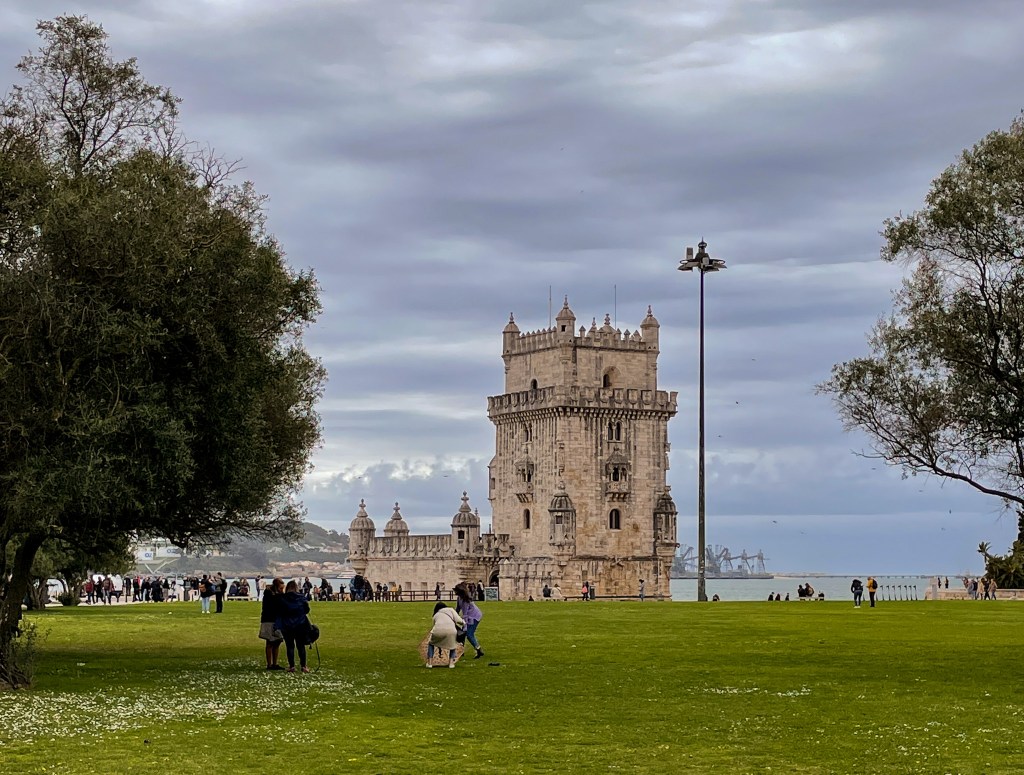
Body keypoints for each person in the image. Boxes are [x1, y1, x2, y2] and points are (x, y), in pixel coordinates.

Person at [278, 580, 311, 673]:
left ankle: (291, 666)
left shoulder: (283, 598)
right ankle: (303, 666)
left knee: (290, 646)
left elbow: (280, 611)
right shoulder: (301, 597)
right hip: (300, 624)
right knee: (301, 646)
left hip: (287, 625)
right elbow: (307, 610)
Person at [426, 602, 464, 668]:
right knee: (452, 645)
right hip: (451, 631)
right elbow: (459, 620)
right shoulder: (451, 610)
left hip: (437, 631)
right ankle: (451, 664)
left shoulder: (436, 615)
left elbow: (435, 624)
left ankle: (430, 663)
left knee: (431, 644)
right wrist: (464, 623)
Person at [259, 577, 285, 671]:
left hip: (277, 620)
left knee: (277, 642)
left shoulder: (277, 595)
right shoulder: (269, 594)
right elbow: (273, 605)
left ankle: (275, 663)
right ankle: (269, 664)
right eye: (280, 588)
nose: (282, 590)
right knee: (270, 642)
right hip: (269, 619)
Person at [455, 582, 485, 659]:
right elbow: (457, 609)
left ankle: (478, 649)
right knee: (462, 634)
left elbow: (465, 614)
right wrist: (453, 616)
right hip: (469, 617)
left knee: (469, 634)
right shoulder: (459, 598)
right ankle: (460, 651)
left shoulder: (466, 600)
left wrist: (464, 625)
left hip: (474, 617)